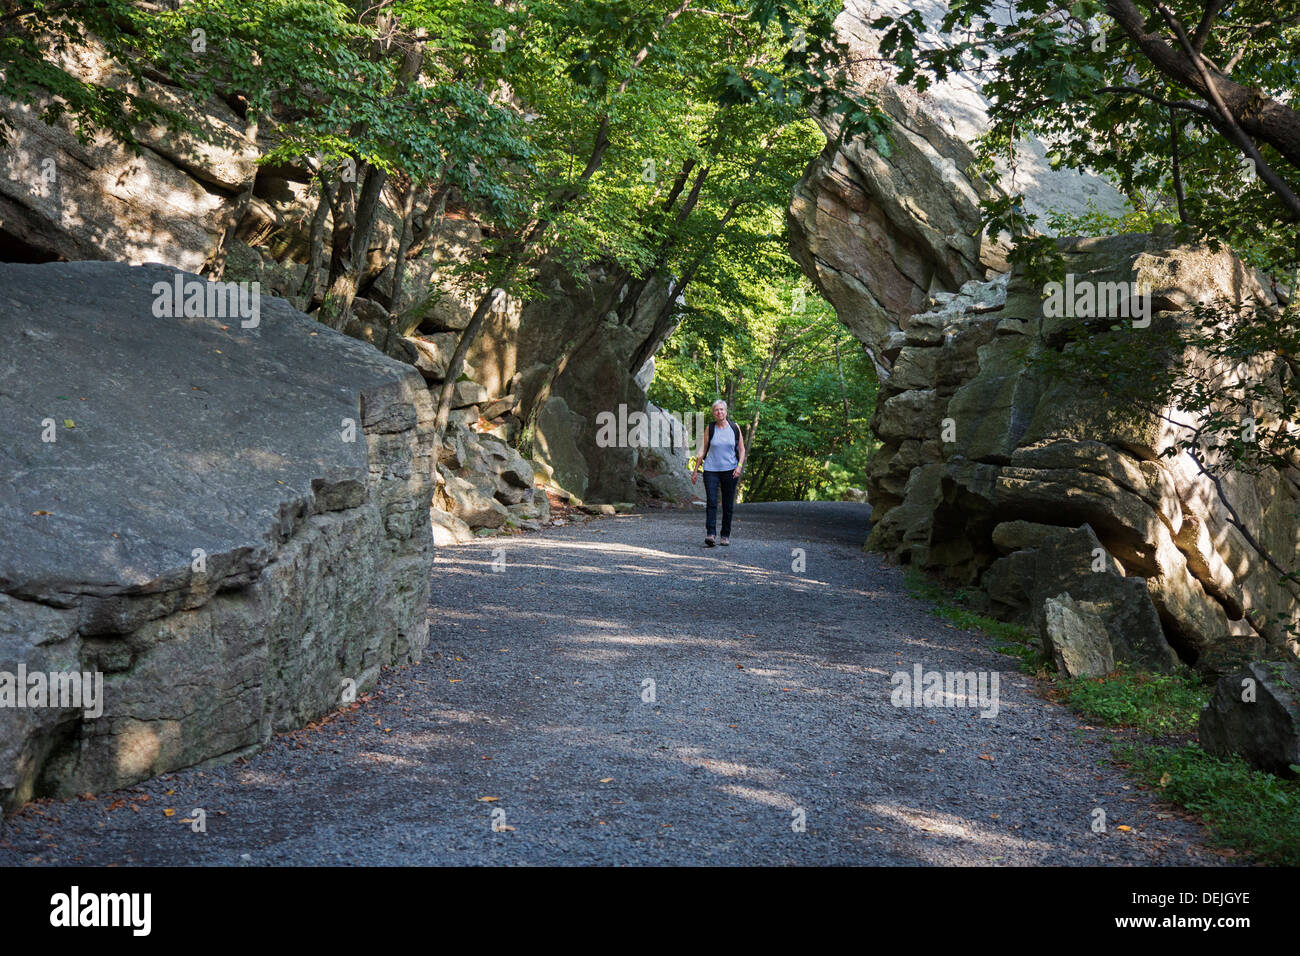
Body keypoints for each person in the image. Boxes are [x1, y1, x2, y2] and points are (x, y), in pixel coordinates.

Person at [691, 399, 745, 547]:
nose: (719, 412)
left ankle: (725, 535)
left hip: (730, 470)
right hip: (711, 470)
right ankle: (711, 534)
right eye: (716, 410)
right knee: (712, 502)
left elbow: (741, 449)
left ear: (726, 411)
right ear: (713, 413)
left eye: (721, 409)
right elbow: (702, 449)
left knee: (728, 504)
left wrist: (739, 466)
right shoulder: (710, 428)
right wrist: (695, 470)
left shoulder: (735, 427)